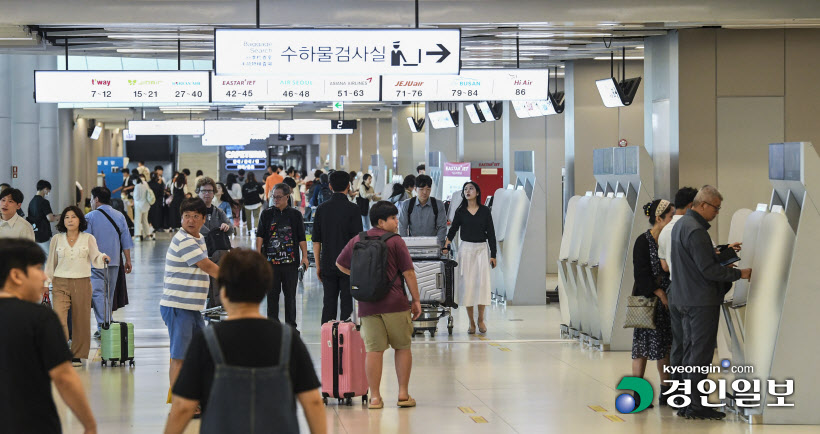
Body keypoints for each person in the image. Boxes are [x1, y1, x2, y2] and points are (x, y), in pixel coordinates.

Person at [164, 249, 325, 434]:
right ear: (265, 290)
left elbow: (183, 406)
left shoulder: (206, 341)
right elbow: (312, 401)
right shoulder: (288, 340)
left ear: (223, 292)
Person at [667, 185, 752, 420]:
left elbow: (695, 259)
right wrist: (740, 274)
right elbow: (708, 270)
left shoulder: (682, 225)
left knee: (689, 352)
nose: (717, 212)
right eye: (715, 208)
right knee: (700, 355)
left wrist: (719, 253)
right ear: (702, 205)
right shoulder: (696, 230)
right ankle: (695, 405)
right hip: (700, 301)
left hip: (684, 297)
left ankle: (686, 403)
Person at [0, 239, 98, 434]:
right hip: (32, 424)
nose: (44, 276)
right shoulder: (39, 318)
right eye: (37, 268)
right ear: (16, 275)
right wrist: (89, 425)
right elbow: (64, 377)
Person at [336, 201, 422, 410]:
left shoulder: (358, 239)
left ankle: (375, 398)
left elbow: (340, 264)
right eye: (393, 218)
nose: (396, 222)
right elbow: (409, 272)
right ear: (381, 222)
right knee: (402, 347)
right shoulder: (395, 241)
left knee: (374, 351)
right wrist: (416, 299)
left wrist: (364, 279)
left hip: (367, 305)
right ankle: (402, 394)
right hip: (395, 304)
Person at [160, 198, 220, 404]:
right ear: (181, 218)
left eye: (196, 216)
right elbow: (208, 267)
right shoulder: (183, 239)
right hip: (178, 306)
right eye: (187, 216)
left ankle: (194, 397)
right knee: (179, 357)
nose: (191, 220)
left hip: (192, 307)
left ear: (204, 219)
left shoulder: (198, 238)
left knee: (198, 354)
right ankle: (179, 402)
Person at [45, 206, 110, 366]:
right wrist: (46, 283)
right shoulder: (56, 239)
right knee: (59, 319)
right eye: (67, 217)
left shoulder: (88, 238)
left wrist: (103, 258)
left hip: (82, 282)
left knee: (80, 321)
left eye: (73, 217)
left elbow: (95, 256)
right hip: (60, 283)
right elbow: (50, 264)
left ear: (80, 219)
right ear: (63, 221)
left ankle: (76, 354)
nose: (70, 220)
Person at [630, 199, 675, 409]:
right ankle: (638, 393)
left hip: (666, 303)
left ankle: (666, 391)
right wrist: (659, 293)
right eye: (670, 216)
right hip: (648, 302)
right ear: (659, 218)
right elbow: (640, 274)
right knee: (642, 348)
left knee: (664, 346)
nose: (673, 220)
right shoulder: (643, 241)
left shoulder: (668, 239)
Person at [443, 182, 497, 334]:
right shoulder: (460, 211)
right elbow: (453, 230)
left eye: (471, 188)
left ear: (478, 192)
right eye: (465, 189)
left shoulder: (485, 211)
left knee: (482, 285)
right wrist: (446, 245)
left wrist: (494, 254)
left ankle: (481, 319)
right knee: (468, 285)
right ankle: (471, 322)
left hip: (481, 249)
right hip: (466, 249)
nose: (468, 191)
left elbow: (491, 233)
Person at [657, 186, 698, 381]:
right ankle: (691, 390)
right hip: (691, 291)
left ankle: (676, 387)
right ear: (691, 205)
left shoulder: (665, 230)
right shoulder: (692, 227)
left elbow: (664, 266)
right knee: (694, 342)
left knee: (678, 341)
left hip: (673, 288)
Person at [312, 171, 363, 324]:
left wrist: (318, 265)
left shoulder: (321, 209)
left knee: (328, 303)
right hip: (348, 265)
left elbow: (316, 241)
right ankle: (345, 341)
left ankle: (328, 340)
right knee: (347, 304)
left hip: (328, 263)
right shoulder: (354, 209)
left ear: (330, 186)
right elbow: (358, 241)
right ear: (348, 186)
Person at [257, 183, 308, 329]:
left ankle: (291, 327)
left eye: (279, 197)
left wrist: (305, 257)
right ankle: (272, 326)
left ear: (287, 197)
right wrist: (258, 255)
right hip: (270, 262)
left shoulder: (295, 214)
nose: (275, 199)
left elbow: (301, 237)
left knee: (290, 297)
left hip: (290, 263)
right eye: (273, 196)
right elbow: (260, 235)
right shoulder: (266, 214)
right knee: (272, 296)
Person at [86, 186, 134, 338]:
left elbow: (86, 240)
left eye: (92, 199)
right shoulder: (119, 215)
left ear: (96, 199)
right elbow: (125, 239)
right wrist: (128, 260)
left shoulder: (90, 217)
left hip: (95, 262)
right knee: (109, 294)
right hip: (114, 261)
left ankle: (104, 325)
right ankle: (107, 322)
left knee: (98, 294)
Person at [197, 177, 233, 307]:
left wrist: (226, 226)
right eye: (204, 191)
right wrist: (214, 232)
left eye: (210, 191)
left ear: (214, 193)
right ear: (198, 192)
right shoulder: (193, 212)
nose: (207, 194)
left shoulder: (218, 212)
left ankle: (216, 307)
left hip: (216, 252)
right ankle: (213, 306)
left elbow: (231, 228)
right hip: (199, 253)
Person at [398, 174, 447, 246]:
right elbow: (402, 227)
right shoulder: (407, 204)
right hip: (413, 245)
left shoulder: (438, 204)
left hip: (433, 245)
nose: (425, 192)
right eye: (421, 189)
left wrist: (437, 244)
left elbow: (442, 227)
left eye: (428, 189)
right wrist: (406, 245)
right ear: (415, 189)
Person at [28, 180, 60, 252]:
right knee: (49, 257)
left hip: (35, 233)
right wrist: (60, 217)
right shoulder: (44, 202)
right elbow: (50, 218)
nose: (48, 192)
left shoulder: (31, 202)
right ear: (45, 189)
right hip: (44, 233)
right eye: (48, 190)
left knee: (39, 258)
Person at [242, 172, 264, 236]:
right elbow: (262, 191)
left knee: (248, 218)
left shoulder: (245, 186)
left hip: (247, 204)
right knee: (256, 217)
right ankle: (256, 229)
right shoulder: (257, 184)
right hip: (257, 203)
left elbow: (243, 195)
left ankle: (249, 231)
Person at [132, 170, 152, 241]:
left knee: (137, 220)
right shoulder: (145, 183)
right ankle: (148, 235)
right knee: (145, 220)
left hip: (139, 206)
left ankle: (138, 235)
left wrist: (132, 195)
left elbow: (136, 197)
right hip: (146, 205)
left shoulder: (137, 186)